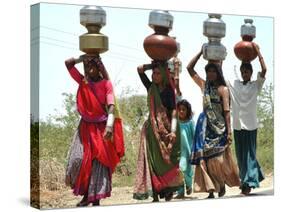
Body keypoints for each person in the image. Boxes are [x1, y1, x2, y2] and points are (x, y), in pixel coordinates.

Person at [64, 55, 125, 206]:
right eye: (87, 67)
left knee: (98, 163)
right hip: (84, 127)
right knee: (78, 159)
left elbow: (110, 105)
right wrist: (83, 57)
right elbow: (68, 64)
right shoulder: (84, 82)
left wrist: (110, 126)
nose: (89, 70)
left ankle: (93, 198)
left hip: (101, 128)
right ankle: (87, 195)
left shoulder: (106, 84)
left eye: (92, 66)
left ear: (99, 68)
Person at [187, 49, 240, 198]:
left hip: (220, 128)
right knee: (206, 159)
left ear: (218, 73)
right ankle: (211, 189)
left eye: (213, 71)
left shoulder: (223, 89)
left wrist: (229, 132)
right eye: (208, 71)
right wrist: (200, 52)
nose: (210, 74)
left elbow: (227, 112)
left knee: (218, 159)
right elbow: (189, 69)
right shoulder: (204, 86)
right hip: (205, 128)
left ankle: (221, 183)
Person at [133, 61, 183, 202]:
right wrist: (155, 63)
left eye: (158, 73)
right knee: (152, 161)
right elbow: (139, 68)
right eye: (153, 73)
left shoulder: (168, 91)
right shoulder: (150, 87)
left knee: (167, 161)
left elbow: (173, 111)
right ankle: (155, 192)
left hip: (167, 130)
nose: (154, 76)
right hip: (151, 131)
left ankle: (167, 190)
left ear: (164, 75)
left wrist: (172, 131)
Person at [227, 43, 267, 195]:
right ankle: (249, 178)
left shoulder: (255, 85)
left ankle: (248, 183)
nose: (244, 73)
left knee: (250, 154)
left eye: (247, 71)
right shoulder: (234, 85)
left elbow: (264, 70)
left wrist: (258, 51)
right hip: (237, 126)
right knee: (241, 155)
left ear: (251, 73)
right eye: (243, 71)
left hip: (251, 126)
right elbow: (222, 76)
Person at [174, 99, 194, 199]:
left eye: (183, 109)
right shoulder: (175, 123)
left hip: (188, 152)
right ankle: (181, 191)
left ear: (188, 111)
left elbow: (194, 136)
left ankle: (189, 185)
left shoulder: (190, 123)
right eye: (179, 109)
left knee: (188, 172)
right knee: (180, 170)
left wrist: (195, 150)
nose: (181, 111)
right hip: (178, 152)